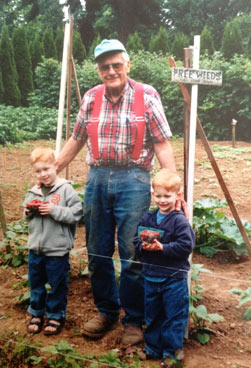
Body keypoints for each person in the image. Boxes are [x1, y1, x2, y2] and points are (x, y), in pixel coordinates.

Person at [56, 39, 180, 345]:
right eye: (104, 67)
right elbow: (76, 139)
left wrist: (176, 188)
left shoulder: (147, 95)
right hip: (97, 179)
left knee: (133, 253)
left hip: (134, 180)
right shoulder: (91, 97)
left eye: (116, 65)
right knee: (97, 252)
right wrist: (53, 168)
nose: (110, 71)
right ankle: (106, 311)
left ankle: (133, 320)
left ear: (127, 65)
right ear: (98, 70)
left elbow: (162, 143)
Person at [134, 169, 195, 367]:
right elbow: (136, 239)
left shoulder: (179, 221)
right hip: (151, 276)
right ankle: (153, 349)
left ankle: (171, 353)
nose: (162, 200)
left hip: (173, 278)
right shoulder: (147, 219)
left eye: (167, 196)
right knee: (152, 315)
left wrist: (164, 247)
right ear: (153, 195)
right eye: (158, 196)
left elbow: (187, 246)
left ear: (177, 196)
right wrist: (142, 246)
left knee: (174, 317)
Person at [23, 146, 82, 335]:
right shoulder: (34, 191)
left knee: (57, 284)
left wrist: (53, 210)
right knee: (36, 283)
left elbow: (76, 214)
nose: (43, 174)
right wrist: (27, 212)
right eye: (38, 171)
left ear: (56, 165)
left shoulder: (66, 190)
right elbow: (26, 217)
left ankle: (55, 315)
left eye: (46, 169)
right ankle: (37, 312)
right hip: (36, 248)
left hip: (57, 248)